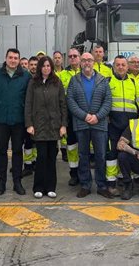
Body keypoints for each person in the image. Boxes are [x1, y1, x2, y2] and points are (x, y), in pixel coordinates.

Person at [66, 53, 112, 198]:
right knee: (83, 155)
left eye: (89, 60)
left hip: (99, 124)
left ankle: (101, 185)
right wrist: (84, 116)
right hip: (81, 124)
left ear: (94, 62)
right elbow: (71, 101)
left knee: (100, 155)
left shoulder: (103, 80)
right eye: (84, 60)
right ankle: (85, 185)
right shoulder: (74, 81)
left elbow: (108, 101)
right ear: (80, 62)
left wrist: (97, 116)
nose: (87, 63)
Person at [0, 48, 31, 195]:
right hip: (1, 120)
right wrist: (0, 106)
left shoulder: (26, 76)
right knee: (1, 152)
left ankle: (17, 182)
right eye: (10, 57)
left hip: (19, 120)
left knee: (18, 152)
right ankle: (1, 183)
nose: (13, 60)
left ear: (19, 60)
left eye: (15, 58)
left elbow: (28, 97)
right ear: (5, 58)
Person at [25, 56, 67, 198]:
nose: (46, 68)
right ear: (40, 68)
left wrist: (63, 125)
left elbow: (63, 105)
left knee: (51, 157)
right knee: (41, 157)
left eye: (49, 66)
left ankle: (50, 187)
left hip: (54, 126)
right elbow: (28, 104)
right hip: (39, 126)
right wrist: (29, 124)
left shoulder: (57, 83)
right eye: (44, 66)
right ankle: (38, 187)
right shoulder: (33, 83)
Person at [105, 55, 139, 195]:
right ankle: (111, 182)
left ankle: (126, 180)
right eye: (118, 65)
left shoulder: (134, 83)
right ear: (114, 67)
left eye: (123, 65)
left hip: (130, 126)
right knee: (112, 153)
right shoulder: (108, 82)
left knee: (127, 153)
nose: (121, 67)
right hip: (112, 124)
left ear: (127, 67)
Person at [59, 48, 82, 186]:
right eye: (70, 56)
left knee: (83, 146)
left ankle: (83, 173)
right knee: (72, 145)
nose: (73, 58)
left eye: (75, 56)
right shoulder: (61, 75)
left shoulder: (86, 73)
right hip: (69, 115)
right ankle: (74, 173)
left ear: (80, 58)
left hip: (83, 115)